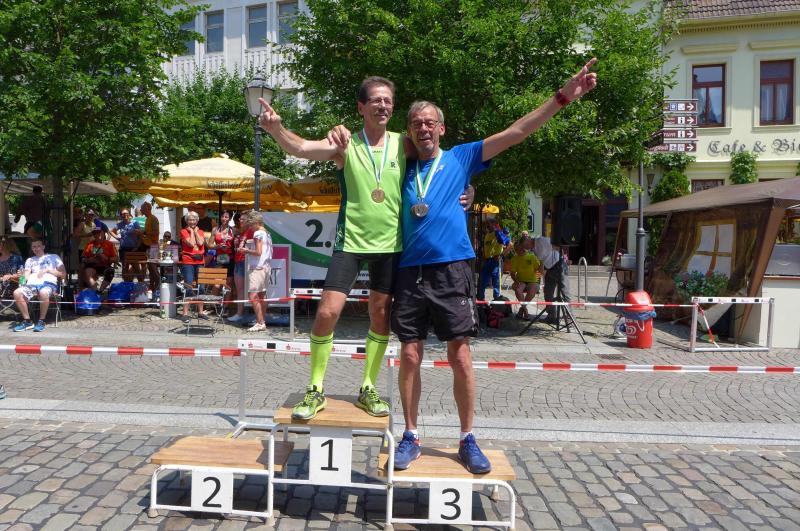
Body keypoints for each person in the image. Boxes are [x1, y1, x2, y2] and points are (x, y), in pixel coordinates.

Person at [387, 59, 598, 474]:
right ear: (409, 131)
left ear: (442, 128)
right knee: (409, 354)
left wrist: (563, 97)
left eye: (429, 122)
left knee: (460, 355)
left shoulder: (461, 158)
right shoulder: (401, 167)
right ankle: (410, 435)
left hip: (452, 268)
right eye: (415, 123)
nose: (423, 128)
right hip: (410, 270)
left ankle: (467, 438)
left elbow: (516, 132)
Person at [260, 79, 474, 420]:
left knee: (380, 315)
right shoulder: (344, 143)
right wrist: (276, 129)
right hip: (351, 242)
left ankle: (368, 387)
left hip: (390, 245)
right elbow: (301, 148)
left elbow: (438, 161)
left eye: (388, 100)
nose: (383, 105)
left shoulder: (403, 144)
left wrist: (469, 188)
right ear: (362, 107)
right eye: (376, 100)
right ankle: (315, 388)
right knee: (327, 312)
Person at [13, 238, 67, 332]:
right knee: (17, 293)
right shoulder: (30, 260)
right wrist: (21, 275)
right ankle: (27, 321)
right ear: (31, 248)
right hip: (32, 285)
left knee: (43, 292)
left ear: (43, 247)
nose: (36, 248)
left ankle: (41, 321)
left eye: (38, 246)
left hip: (48, 284)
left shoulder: (54, 257)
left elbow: (63, 274)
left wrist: (48, 270)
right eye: (34, 247)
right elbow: (26, 277)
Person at [241, 210, 272, 332]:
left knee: (252, 295)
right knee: (262, 295)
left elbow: (258, 252)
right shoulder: (267, 233)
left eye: (251, 224)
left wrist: (246, 250)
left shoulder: (258, 233)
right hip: (266, 266)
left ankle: (260, 322)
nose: (250, 227)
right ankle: (261, 320)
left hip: (257, 267)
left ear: (257, 222)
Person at [530, 235, 570, 323]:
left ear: (528, 240)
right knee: (548, 292)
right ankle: (551, 316)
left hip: (558, 265)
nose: (526, 248)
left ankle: (569, 318)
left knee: (565, 292)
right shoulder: (533, 249)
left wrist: (559, 253)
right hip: (549, 269)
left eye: (525, 246)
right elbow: (541, 266)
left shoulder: (541, 240)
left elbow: (557, 247)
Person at [179, 211, 206, 323]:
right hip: (188, 261)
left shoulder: (201, 231)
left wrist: (195, 232)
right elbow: (190, 243)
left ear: (197, 221)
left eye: (194, 220)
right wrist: (191, 232)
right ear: (187, 221)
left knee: (201, 287)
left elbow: (200, 243)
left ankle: (201, 312)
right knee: (188, 286)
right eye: (190, 220)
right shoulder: (183, 231)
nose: (192, 222)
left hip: (200, 261)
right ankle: (185, 313)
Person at [508, 239, 542, 320]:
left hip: (532, 280)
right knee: (518, 290)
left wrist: (538, 281)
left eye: (520, 248)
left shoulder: (532, 256)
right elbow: (512, 273)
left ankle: (522, 309)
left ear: (523, 247)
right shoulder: (514, 259)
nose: (519, 250)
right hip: (521, 280)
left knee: (532, 291)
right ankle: (525, 310)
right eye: (516, 249)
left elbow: (539, 270)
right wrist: (516, 281)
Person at [478, 219, 512, 301]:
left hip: (495, 261)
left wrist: (501, 255)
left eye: (488, 223)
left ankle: (497, 301)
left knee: (496, 283)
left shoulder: (498, 233)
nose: (486, 225)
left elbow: (510, 244)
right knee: (482, 282)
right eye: (486, 224)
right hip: (487, 261)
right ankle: (481, 300)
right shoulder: (487, 235)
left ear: (494, 224)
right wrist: (484, 257)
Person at [228, 213, 249, 324]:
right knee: (239, 289)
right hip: (238, 260)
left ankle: (240, 314)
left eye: (243, 219)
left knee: (241, 289)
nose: (240, 221)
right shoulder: (241, 232)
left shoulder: (250, 232)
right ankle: (240, 313)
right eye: (240, 219)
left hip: (244, 261)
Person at [81, 227, 118, 293]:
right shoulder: (90, 244)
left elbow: (116, 258)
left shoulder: (109, 244)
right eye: (95, 233)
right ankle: (95, 291)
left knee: (110, 272)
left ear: (103, 233)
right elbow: (83, 257)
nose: (97, 234)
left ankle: (100, 290)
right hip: (93, 266)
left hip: (105, 265)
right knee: (87, 271)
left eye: (98, 232)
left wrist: (107, 258)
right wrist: (89, 260)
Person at [138, 202, 160, 295]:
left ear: (147, 209)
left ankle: (158, 285)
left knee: (153, 267)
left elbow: (156, 232)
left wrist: (143, 232)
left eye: (142, 208)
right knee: (150, 268)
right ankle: (152, 286)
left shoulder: (153, 218)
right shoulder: (147, 219)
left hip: (153, 246)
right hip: (148, 246)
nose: (141, 210)